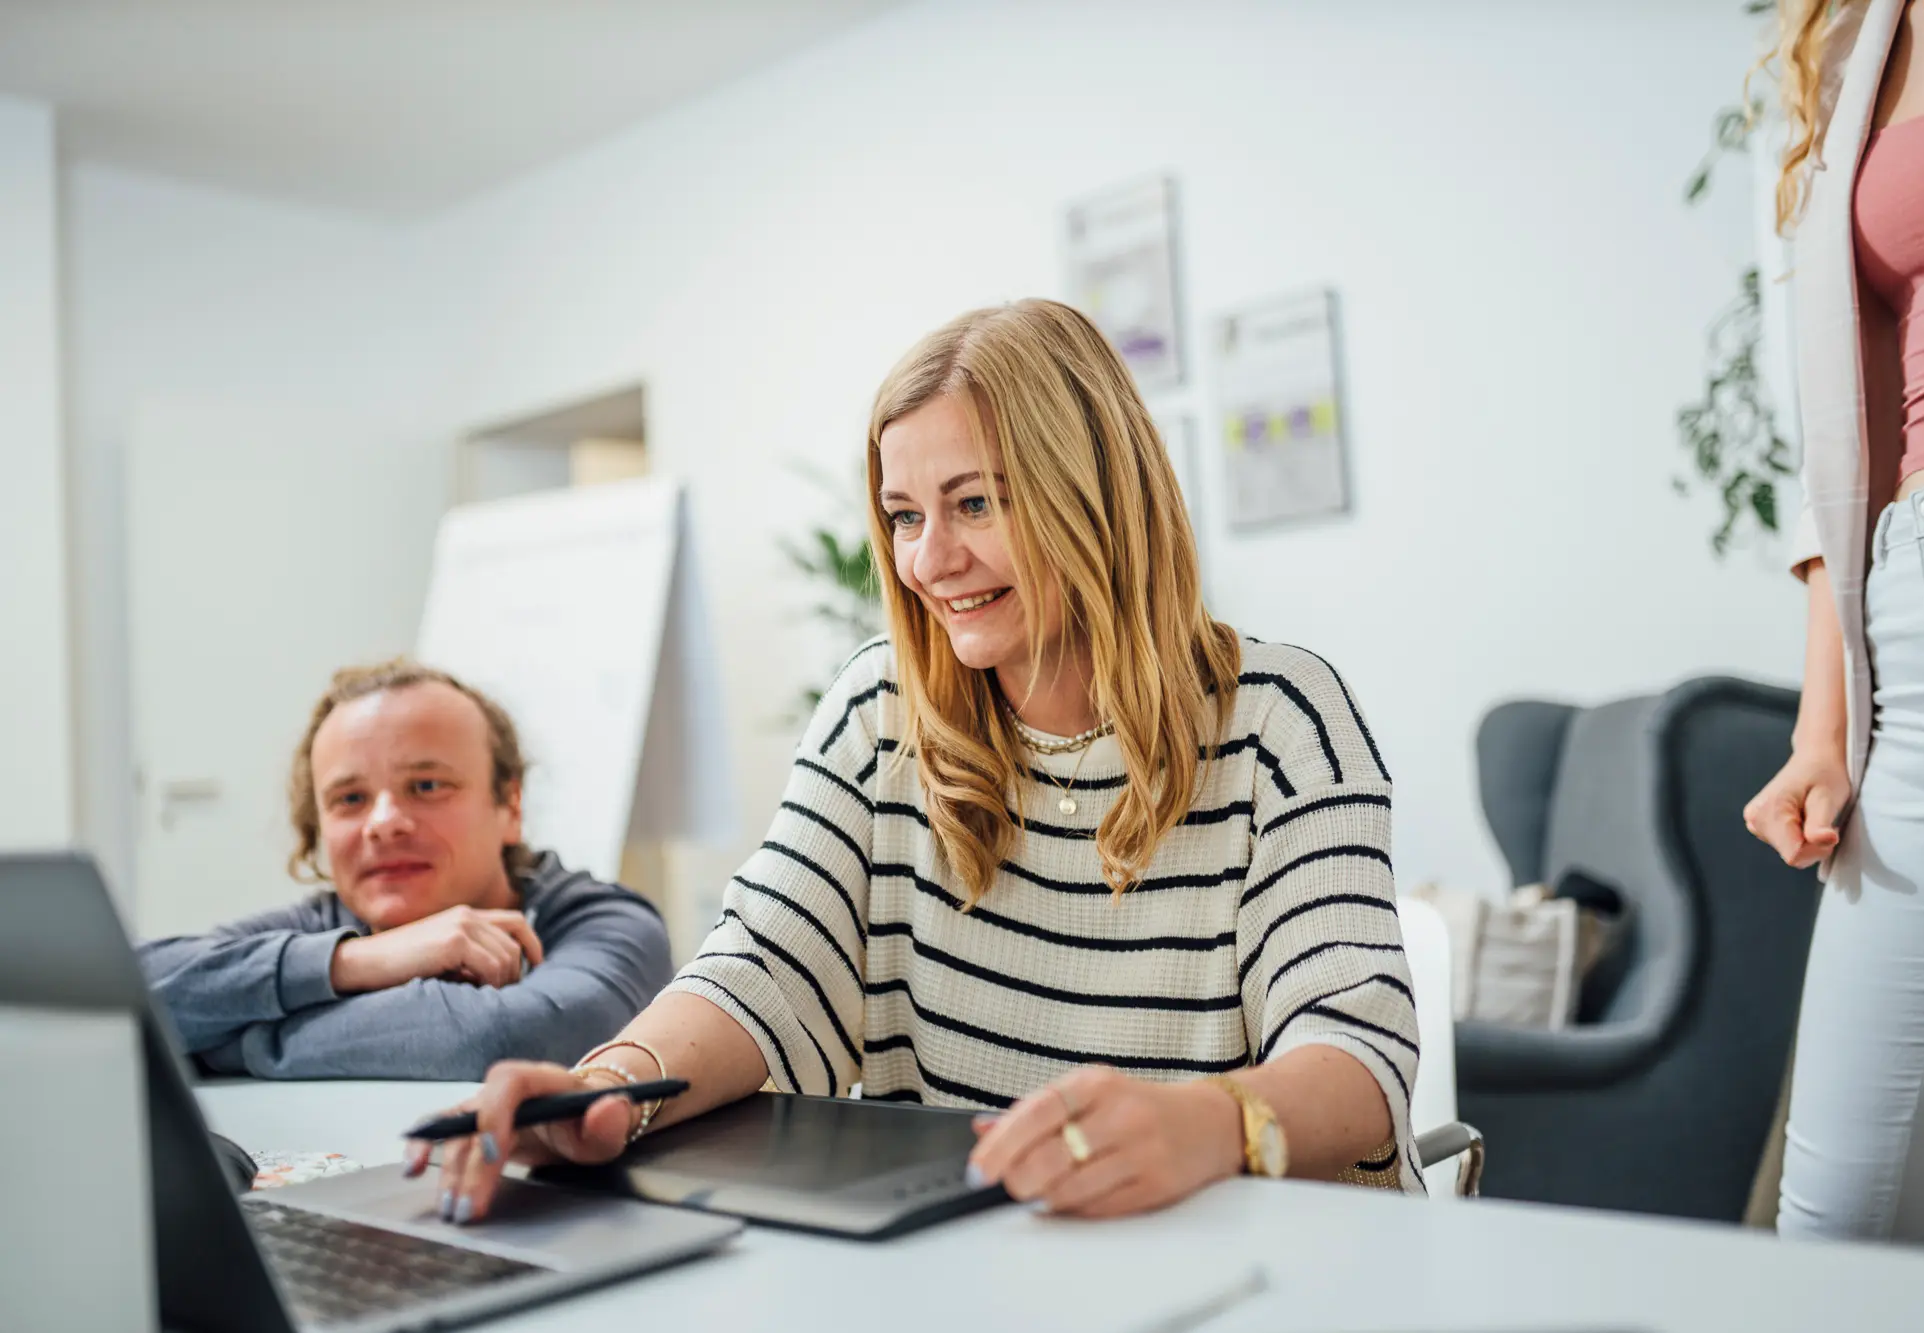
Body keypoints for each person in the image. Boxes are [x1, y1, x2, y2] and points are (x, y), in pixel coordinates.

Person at [415, 298, 1420, 1228]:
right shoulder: (876, 711)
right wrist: (612, 1085)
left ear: (1094, 496)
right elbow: (766, 965)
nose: (927, 559)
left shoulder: (1280, 721)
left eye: (974, 503)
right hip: (985, 1254)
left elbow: (1357, 1062)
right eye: (903, 515)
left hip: (1242, 1255)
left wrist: (1208, 1123)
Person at [1743, 0, 1924, 1246]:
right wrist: (1823, 727)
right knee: (1842, 1227)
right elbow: (1825, 439)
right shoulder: (1841, 48)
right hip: (1908, 591)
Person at [140, 659, 674, 1080]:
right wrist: (354, 961)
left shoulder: (606, 922)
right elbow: (130, 991)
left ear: (510, 807)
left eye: (426, 786)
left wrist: (218, 1038)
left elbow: (509, 1039)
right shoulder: (329, 923)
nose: (384, 823)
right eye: (350, 798)